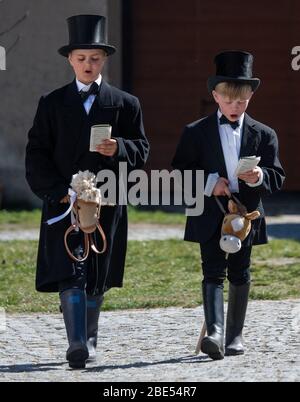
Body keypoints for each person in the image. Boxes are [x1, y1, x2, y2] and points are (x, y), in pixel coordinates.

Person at [25, 14, 149, 369]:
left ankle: (90, 340)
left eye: (95, 58)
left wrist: (120, 149)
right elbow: (36, 153)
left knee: (96, 269)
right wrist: (57, 192)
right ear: (70, 60)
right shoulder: (51, 102)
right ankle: (76, 342)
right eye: (81, 58)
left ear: (104, 60)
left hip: (105, 202)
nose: (88, 65)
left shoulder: (126, 103)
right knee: (70, 268)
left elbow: (142, 149)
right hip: (63, 202)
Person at [172, 51, 285, 360]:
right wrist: (211, 183)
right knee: (212, 271)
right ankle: (215, 333)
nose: (236, 106)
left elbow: (277, 177)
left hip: (245, 216)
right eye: (229, 100)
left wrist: (259, 176)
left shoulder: (264, 135)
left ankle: (234, 335)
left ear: (250, 97)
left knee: (240, 271)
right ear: (215, 95)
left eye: (242, 101)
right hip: (209, 212)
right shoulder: (195, 132)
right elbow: (179, 172)